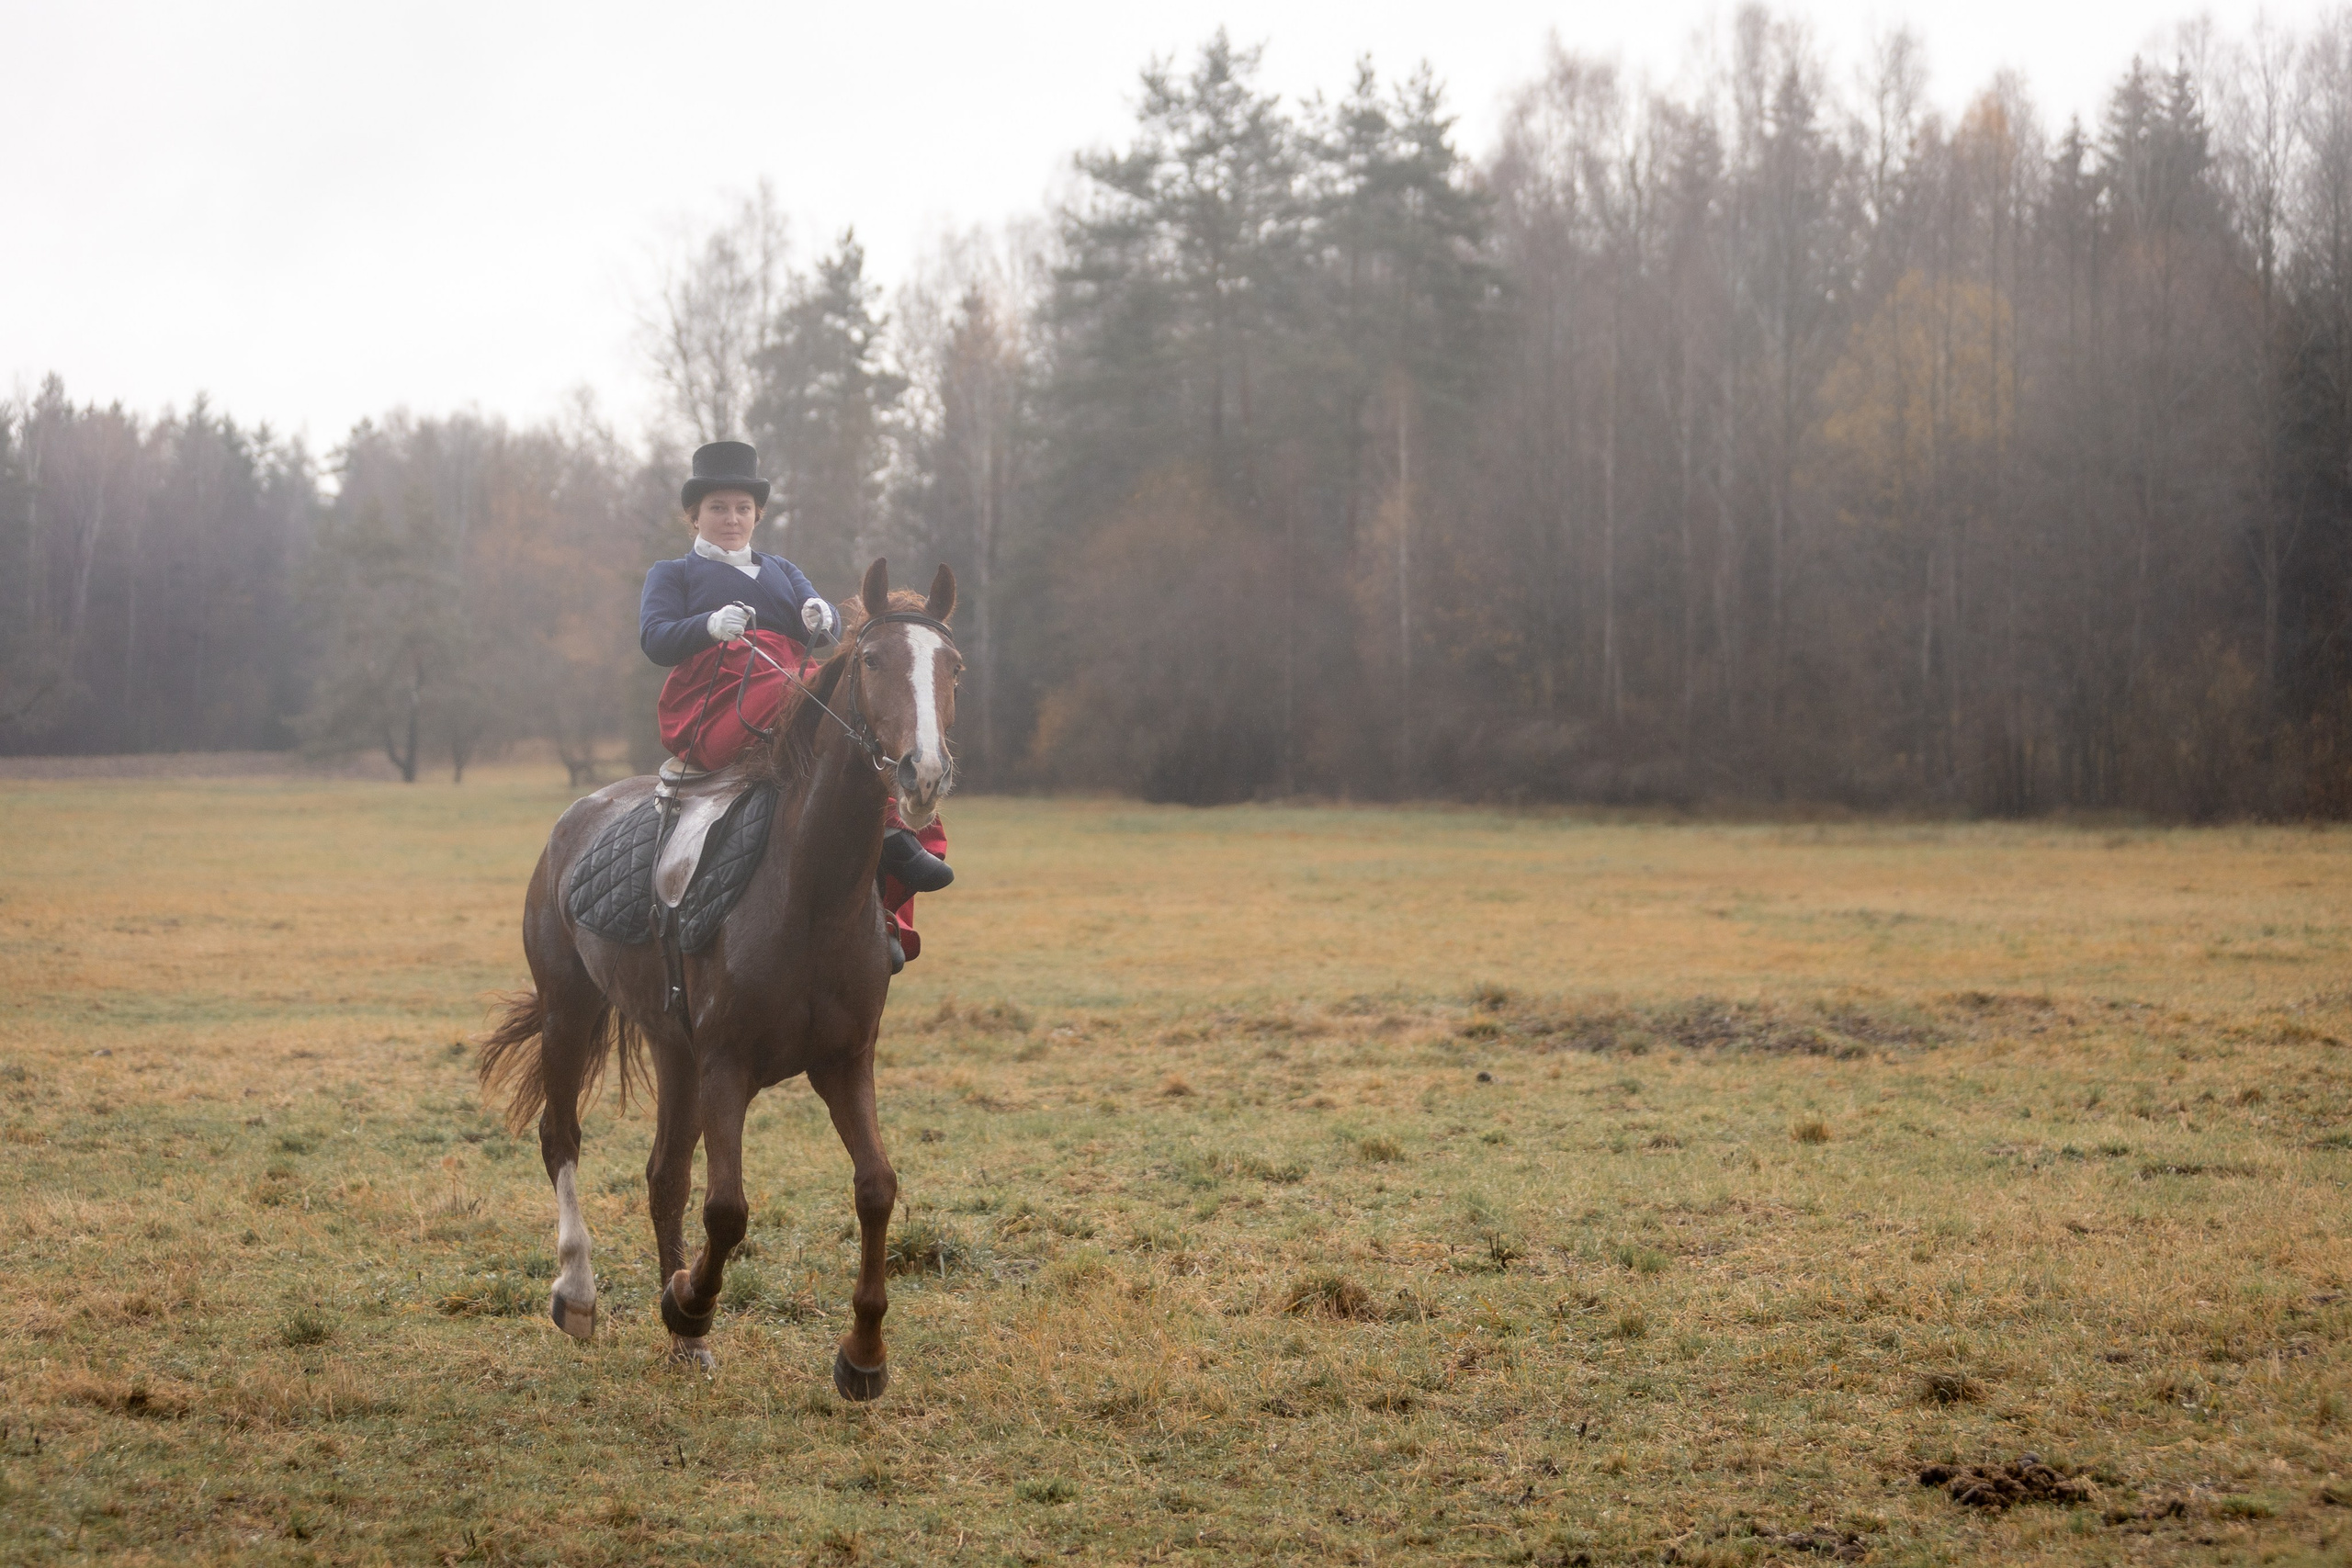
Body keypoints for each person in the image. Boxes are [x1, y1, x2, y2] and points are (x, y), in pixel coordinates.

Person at [639, 441, 952, 969]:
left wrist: (820, 614)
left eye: (742, 508)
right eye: (718, 508)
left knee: (853, 721)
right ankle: (896, 839)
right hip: (716, 694)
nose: (731, 519)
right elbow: (654, 637)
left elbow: (827, 624)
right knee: (816, 698)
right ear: (695, 516)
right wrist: (708, 626)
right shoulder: (673, 573)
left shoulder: (781, 569)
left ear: (757, 515)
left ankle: (886, 894)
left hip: (788, 680)